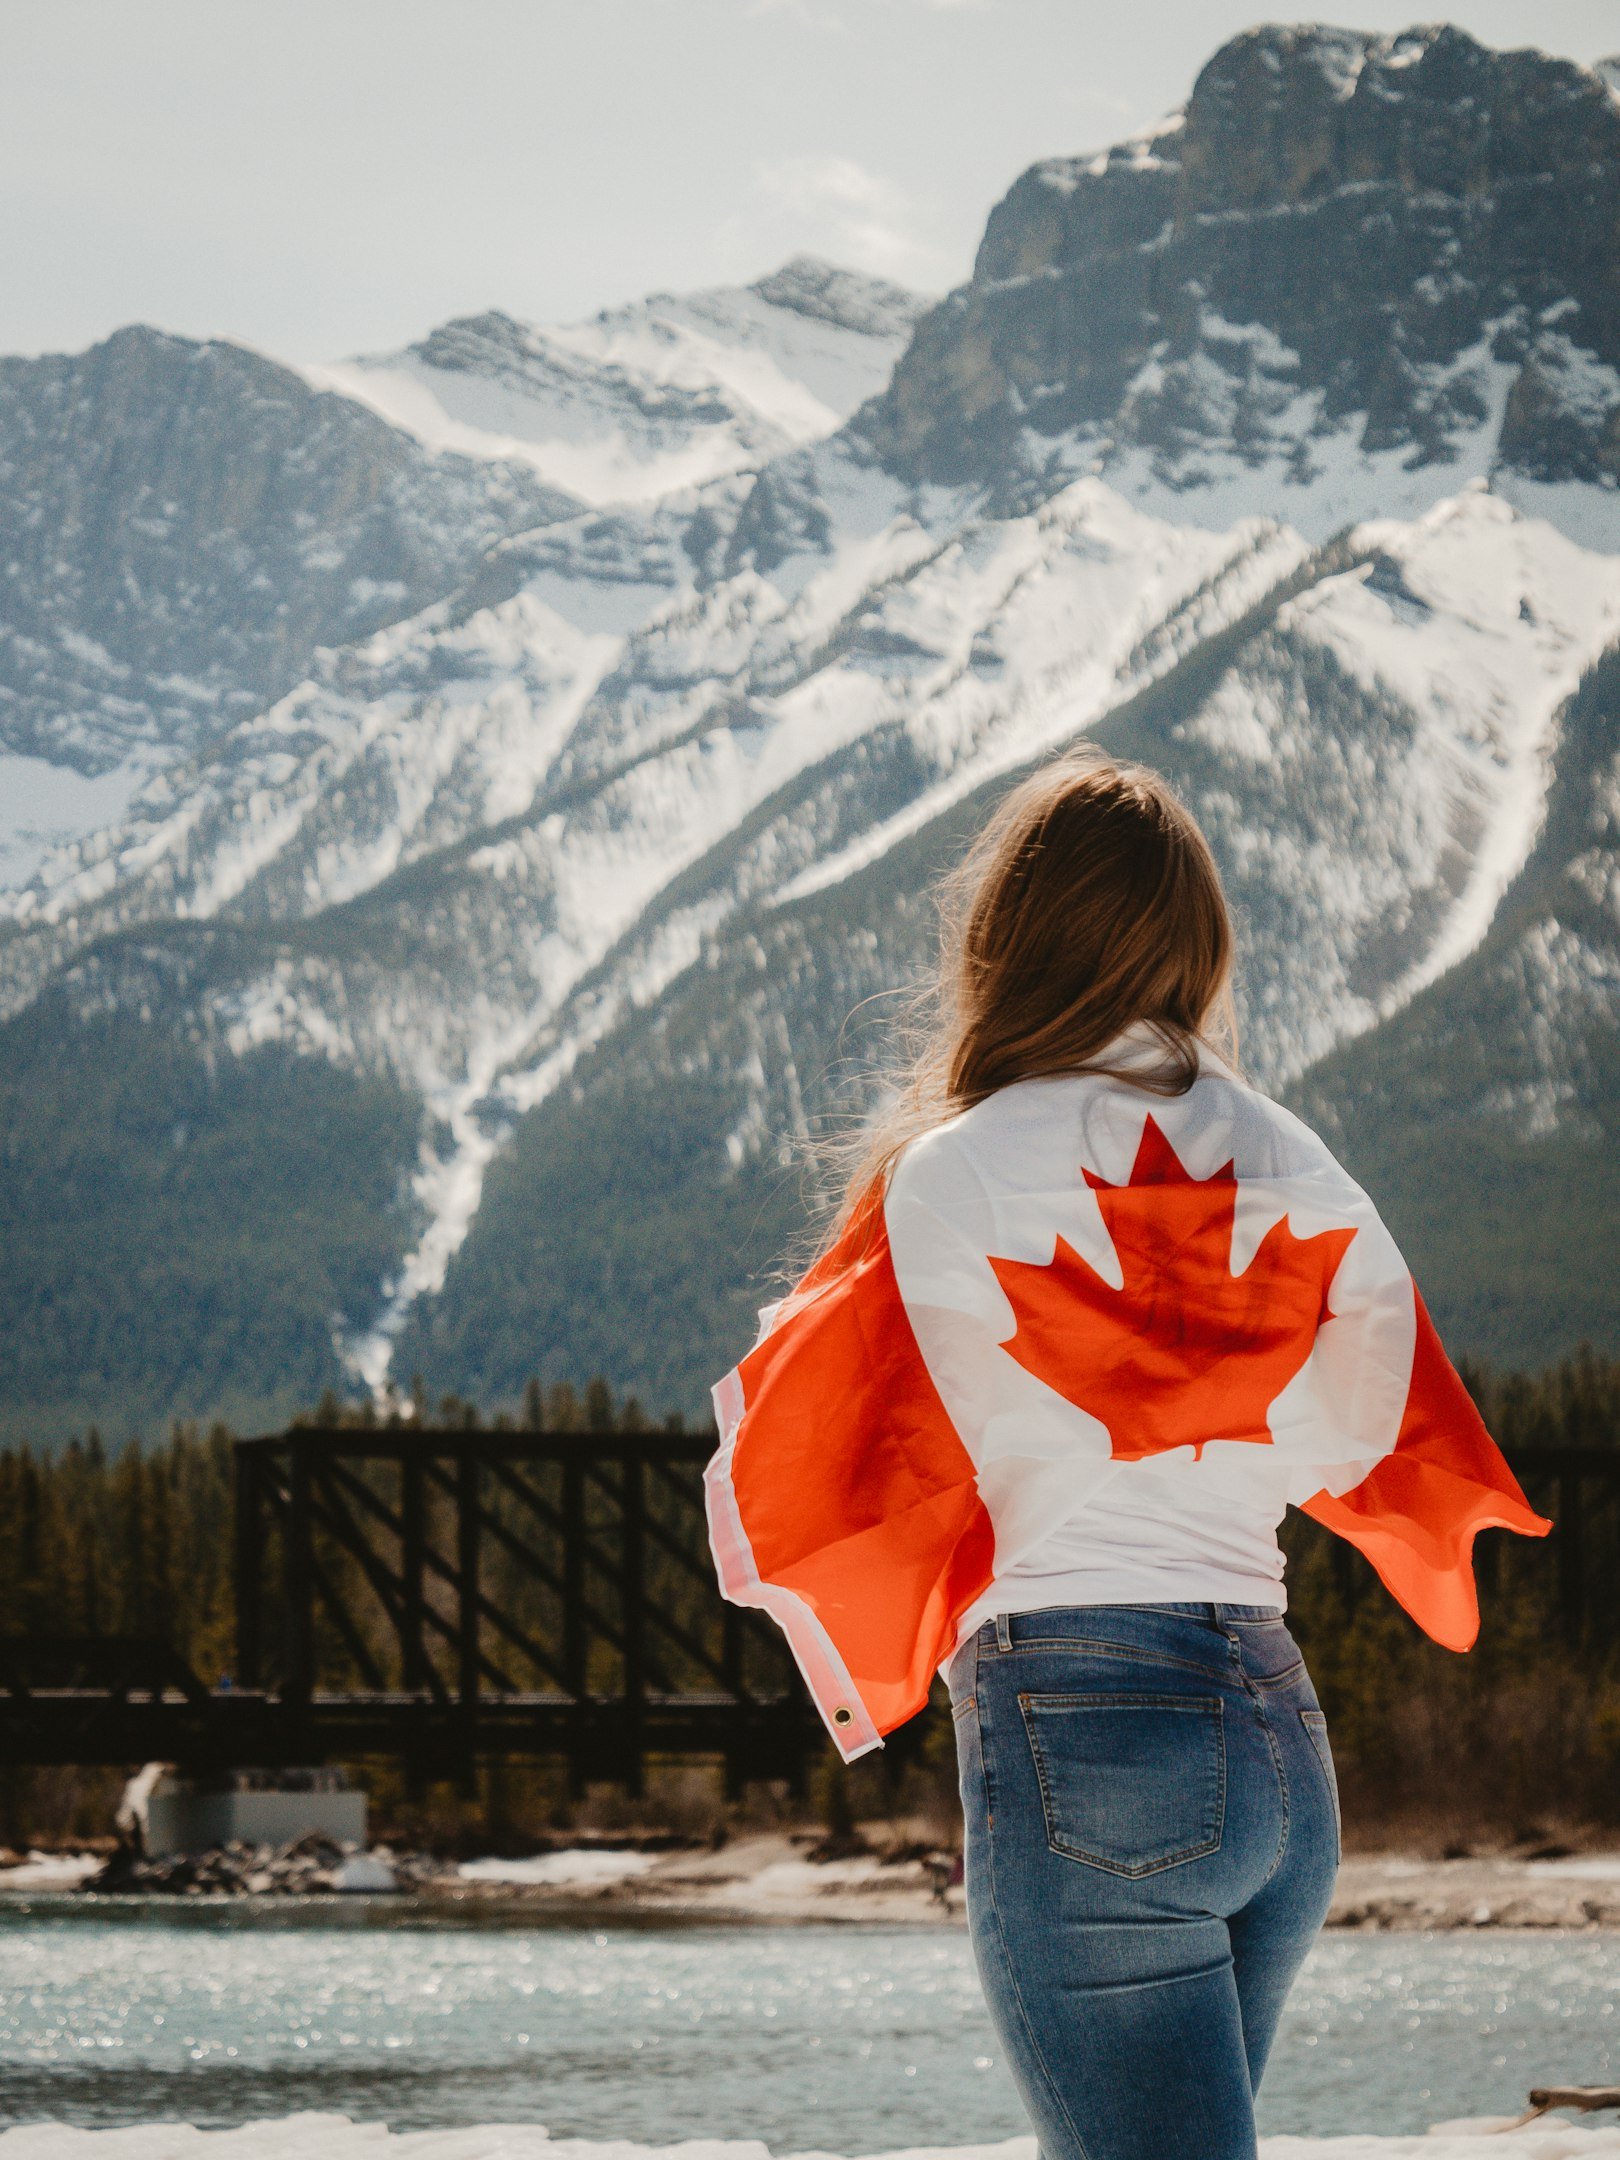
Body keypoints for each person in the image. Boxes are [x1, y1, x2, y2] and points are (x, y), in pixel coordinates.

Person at [705, 750, 1549, 2160]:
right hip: (1277, 1734)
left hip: (1085, 1735)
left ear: (1007, 944)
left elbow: (852, 1439)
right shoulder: (1296, 1158)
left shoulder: (949, 1171)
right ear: (1196, 940)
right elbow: (1364, 1417)